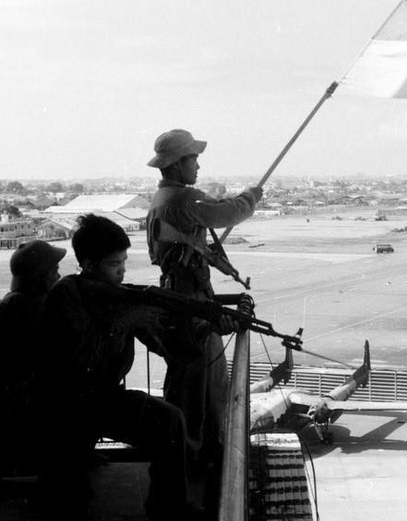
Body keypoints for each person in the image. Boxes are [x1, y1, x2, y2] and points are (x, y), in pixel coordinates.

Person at [34, 214, 194, 521]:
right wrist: (126, 320)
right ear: (89, 266)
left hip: (100, 399)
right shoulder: (66, 294)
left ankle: (168, 509)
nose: (121, 272)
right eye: (113, 265)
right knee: (68, 501)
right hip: (62, 404)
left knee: (170, 421)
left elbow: (167, 347)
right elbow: (83, 358)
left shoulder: (117, 297)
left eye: (124, 263)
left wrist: (203, 329)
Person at [145, 129, 262, 472]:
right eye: (193, 158)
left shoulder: (165, 199)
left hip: (183, 299)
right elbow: (226, 213)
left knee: (194, 387)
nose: (198, 164)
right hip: (189, 303)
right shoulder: (180, 200)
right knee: (199, 389)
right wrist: (251, 197)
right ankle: (194, 463)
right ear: (177, 164)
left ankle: (195, 456)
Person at [0, 240, 65, 478]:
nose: (59, 275)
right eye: (54, 271)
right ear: (42, 277)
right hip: (2, 421)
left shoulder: (15, 301)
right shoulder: (29, 308)